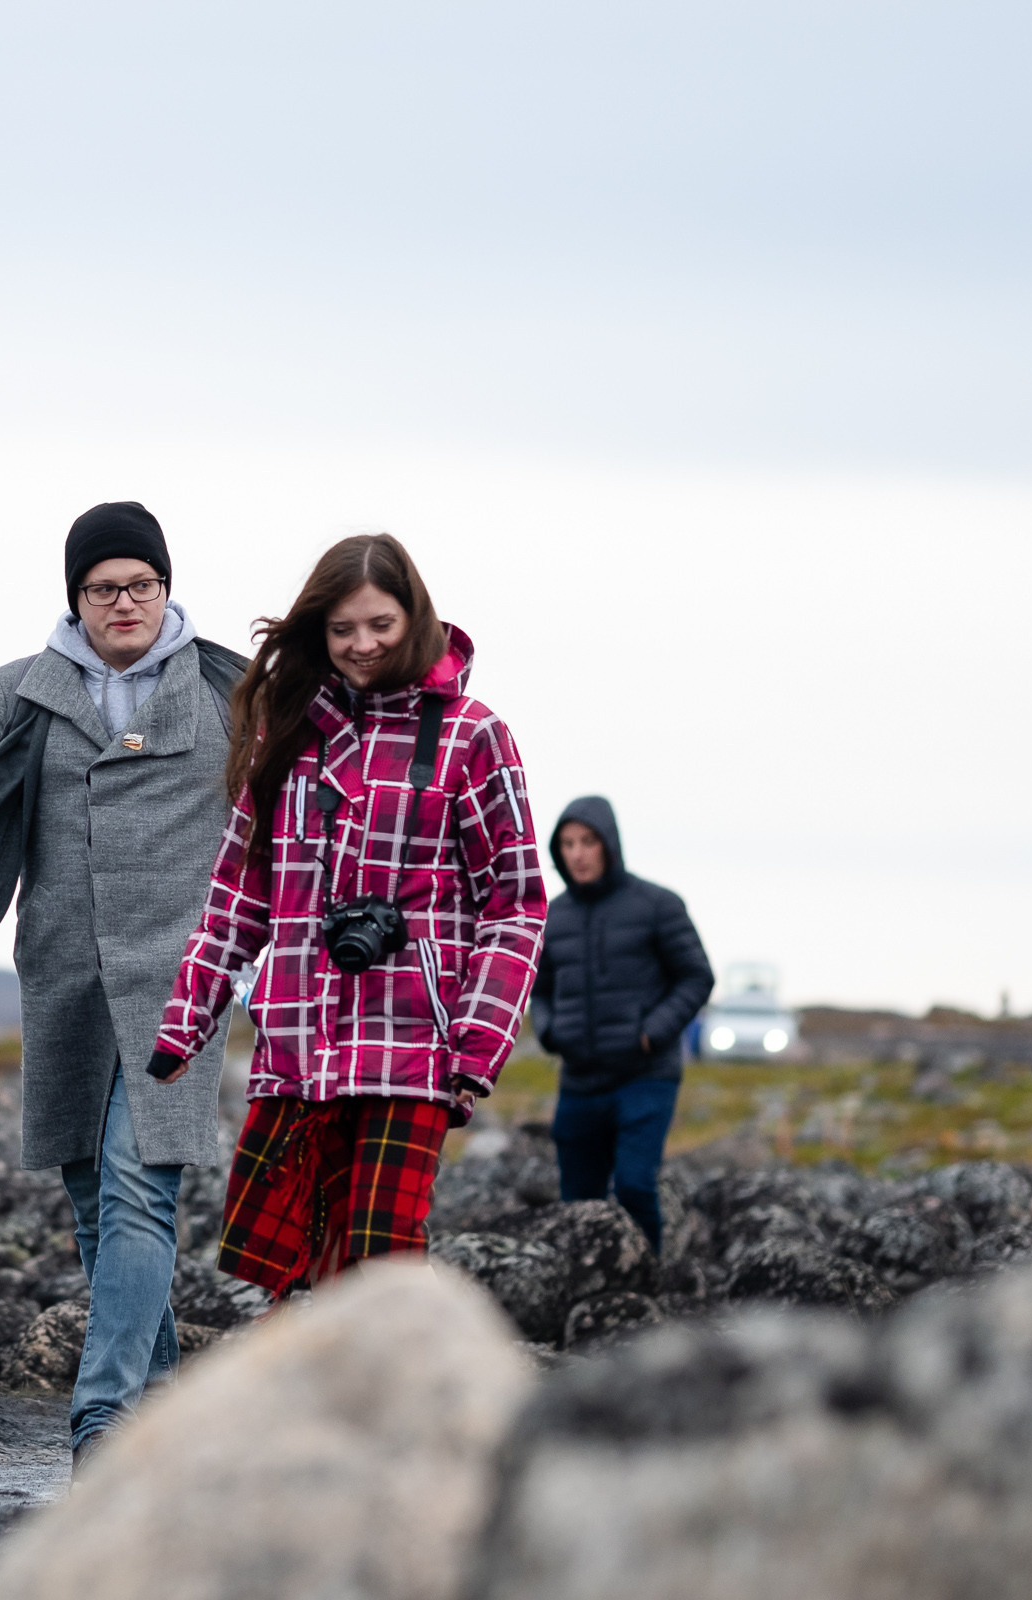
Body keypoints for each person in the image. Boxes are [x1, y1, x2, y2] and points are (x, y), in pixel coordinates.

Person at [0, 502, 248, 1469]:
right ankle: (165, 1412)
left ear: (167, 589)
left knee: (142, 1189)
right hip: (62, 971)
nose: (125, 602)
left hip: (184, 978)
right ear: (76, 598)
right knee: (96, 1201)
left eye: (143, 584)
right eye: (104, 588)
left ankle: (101, 1423)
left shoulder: (233, 691)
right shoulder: (19, 692)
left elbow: (301, 809)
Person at [150, 533, 545, 1299]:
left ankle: (397, 1410)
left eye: (381, 625)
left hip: (416, 1047)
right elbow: (239, 891)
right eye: (342, 629)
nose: (362, 645)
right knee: (278, 1269)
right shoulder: (287, 730)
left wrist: (478, 1042)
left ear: (415, 619)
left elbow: (517, 902)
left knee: (380, 1264)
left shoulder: (472, 735)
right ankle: (300, 1411)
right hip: (297, 1044)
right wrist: (184, 1024)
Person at [529, 796, 713, 1253]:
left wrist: (652, 1031)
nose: (577, 853)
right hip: (580, 1081)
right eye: (567, 844)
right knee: (578, 1201)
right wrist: (550, 1030)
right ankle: (587, 1290)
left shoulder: (658, 905)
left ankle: (646, 1284)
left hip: (645, 1077)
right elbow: (540, 985)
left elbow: (697, 976)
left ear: (608, 844)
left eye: (587, 841)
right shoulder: (552, 916)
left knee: (633, 1185)